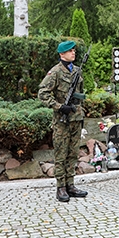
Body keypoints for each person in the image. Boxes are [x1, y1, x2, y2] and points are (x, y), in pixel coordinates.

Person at [38, 40, 87, 203]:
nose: (74, 53)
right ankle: (61, 187)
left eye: (74, 51)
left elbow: (81, 93)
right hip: (62, 121)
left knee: (73, 153)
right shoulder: (55, 72)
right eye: (70, 51)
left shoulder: (78, 71)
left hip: (76, 118)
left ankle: (70, 184)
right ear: (62, 54)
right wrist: (59, 107)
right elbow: (43, 94)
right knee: (61, 153)